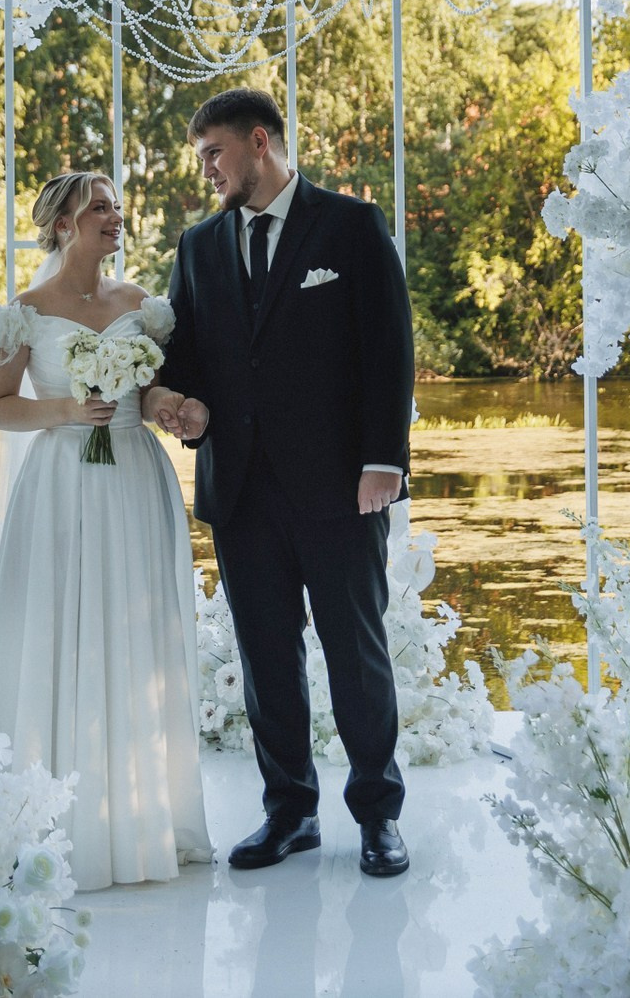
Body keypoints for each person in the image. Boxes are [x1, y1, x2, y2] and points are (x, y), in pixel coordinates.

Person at [141, 89, 414, 880]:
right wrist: (177, 404)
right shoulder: (197, 247)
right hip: (243, 492)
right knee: (266, 657)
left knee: (355, 653)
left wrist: (382, 462)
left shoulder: (351, 226)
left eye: (215, 154)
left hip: (340, 488)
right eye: (203, 160)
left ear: (260, 142)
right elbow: (183, 358)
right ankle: (289, 811)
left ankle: (377, 815)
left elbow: (388, 348)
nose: (209, 171)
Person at [0, 170, 213, 891]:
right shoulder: (24, 312)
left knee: (136, 636)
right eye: (100, 206)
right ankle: (58, 817)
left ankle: (139, 814)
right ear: (65, 222)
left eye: (116, 205)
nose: (115, 216)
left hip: (136, 478)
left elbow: (148, 389)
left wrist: (174, 406)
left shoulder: (141, 305)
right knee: (64, 630)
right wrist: (67, 413)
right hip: (63, 485)